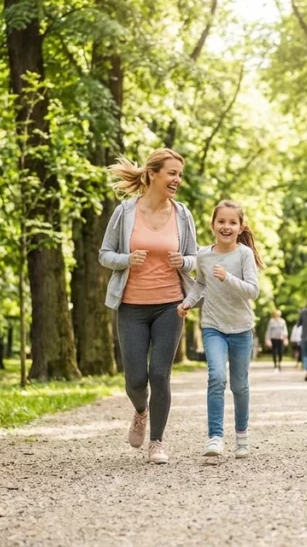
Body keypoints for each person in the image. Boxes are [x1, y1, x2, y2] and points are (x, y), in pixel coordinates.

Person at [99, 148, 199, 465]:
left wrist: (183, 260)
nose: (177, 180)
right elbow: (104, 254)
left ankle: (157, 442)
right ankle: (140, 411)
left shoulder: (182, 214)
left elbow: (197, 258)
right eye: (172, 173)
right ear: (153, 174)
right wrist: (127, 259)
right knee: (136, 379)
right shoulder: (125, 212)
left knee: (160, 374)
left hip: (170, 304)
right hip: (131, 306)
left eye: (180, 175)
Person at [179, 200, 263, 459]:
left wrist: (228, 277)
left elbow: (254, 291)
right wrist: (187, 302)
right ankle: (215, 437)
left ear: (240, 227)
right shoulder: (203, 255)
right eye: (221, 221)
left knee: (239, 385)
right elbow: (200, 285)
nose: (226, 226)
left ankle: (242, 436)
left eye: (232, 222)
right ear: (213, 225)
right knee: (216, 377)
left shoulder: (244, 254)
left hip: (241, 328)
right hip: (213, 326)